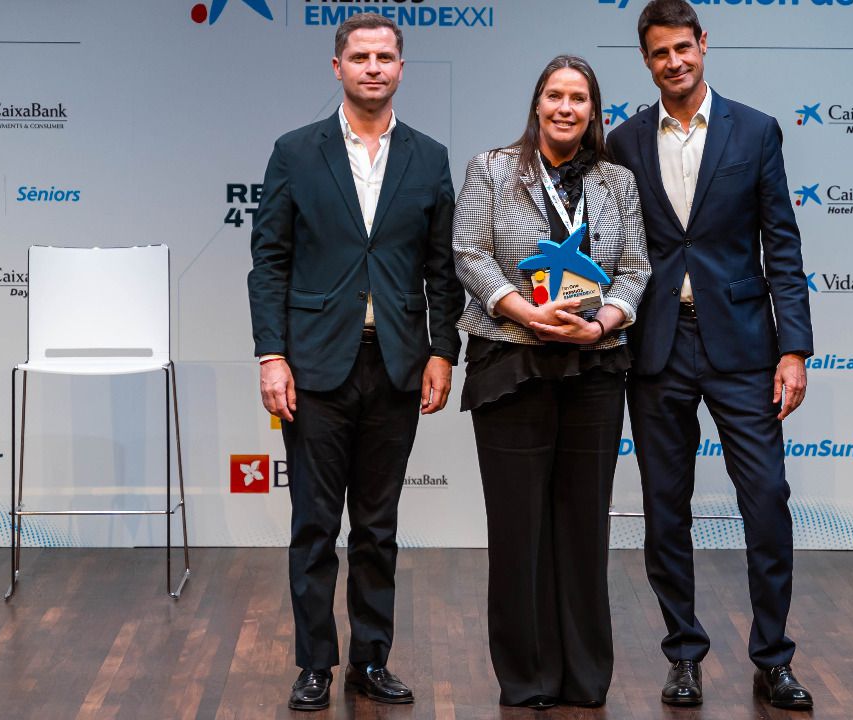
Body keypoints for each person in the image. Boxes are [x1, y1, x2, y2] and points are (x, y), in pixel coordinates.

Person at [246, 14, 463, 712]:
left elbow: (442, 269)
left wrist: (442, 351)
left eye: (385, 57)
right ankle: (315, 662)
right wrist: (272, 355)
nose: (374, 67)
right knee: (314, 525)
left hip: (398, 365)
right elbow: (269, 262)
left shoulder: (429, 157)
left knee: (377, 527)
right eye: (361, 56)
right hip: (313, 367)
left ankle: (370, 660)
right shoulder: (294, 152)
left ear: (401, 68)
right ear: (337, 67)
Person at [605, 0, 816, 710]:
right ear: (646, 61)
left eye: (683, 48)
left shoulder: (754, 130)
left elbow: (781, 244)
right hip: (657, 346)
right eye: (660, 53)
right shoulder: (623, 142)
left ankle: (774, 658)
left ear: (703, 45)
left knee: (768, 500)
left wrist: (795, 348)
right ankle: (683, 655)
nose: (674, 62)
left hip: (744, 347)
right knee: (665, 509)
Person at [452, 55, 651, 710]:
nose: (566, 108)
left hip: (596, 364)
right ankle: (528, 677)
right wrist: (525, 311)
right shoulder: (491, 168)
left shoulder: (617, 181)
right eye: (555, 95)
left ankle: (585, 678)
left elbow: (636, 268)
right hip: (512, 362)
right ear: (537, 103)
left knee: (584, 525)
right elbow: (469, 254)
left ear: (594, 112)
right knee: (519, 529)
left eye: (579, 98)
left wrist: (603, 323)